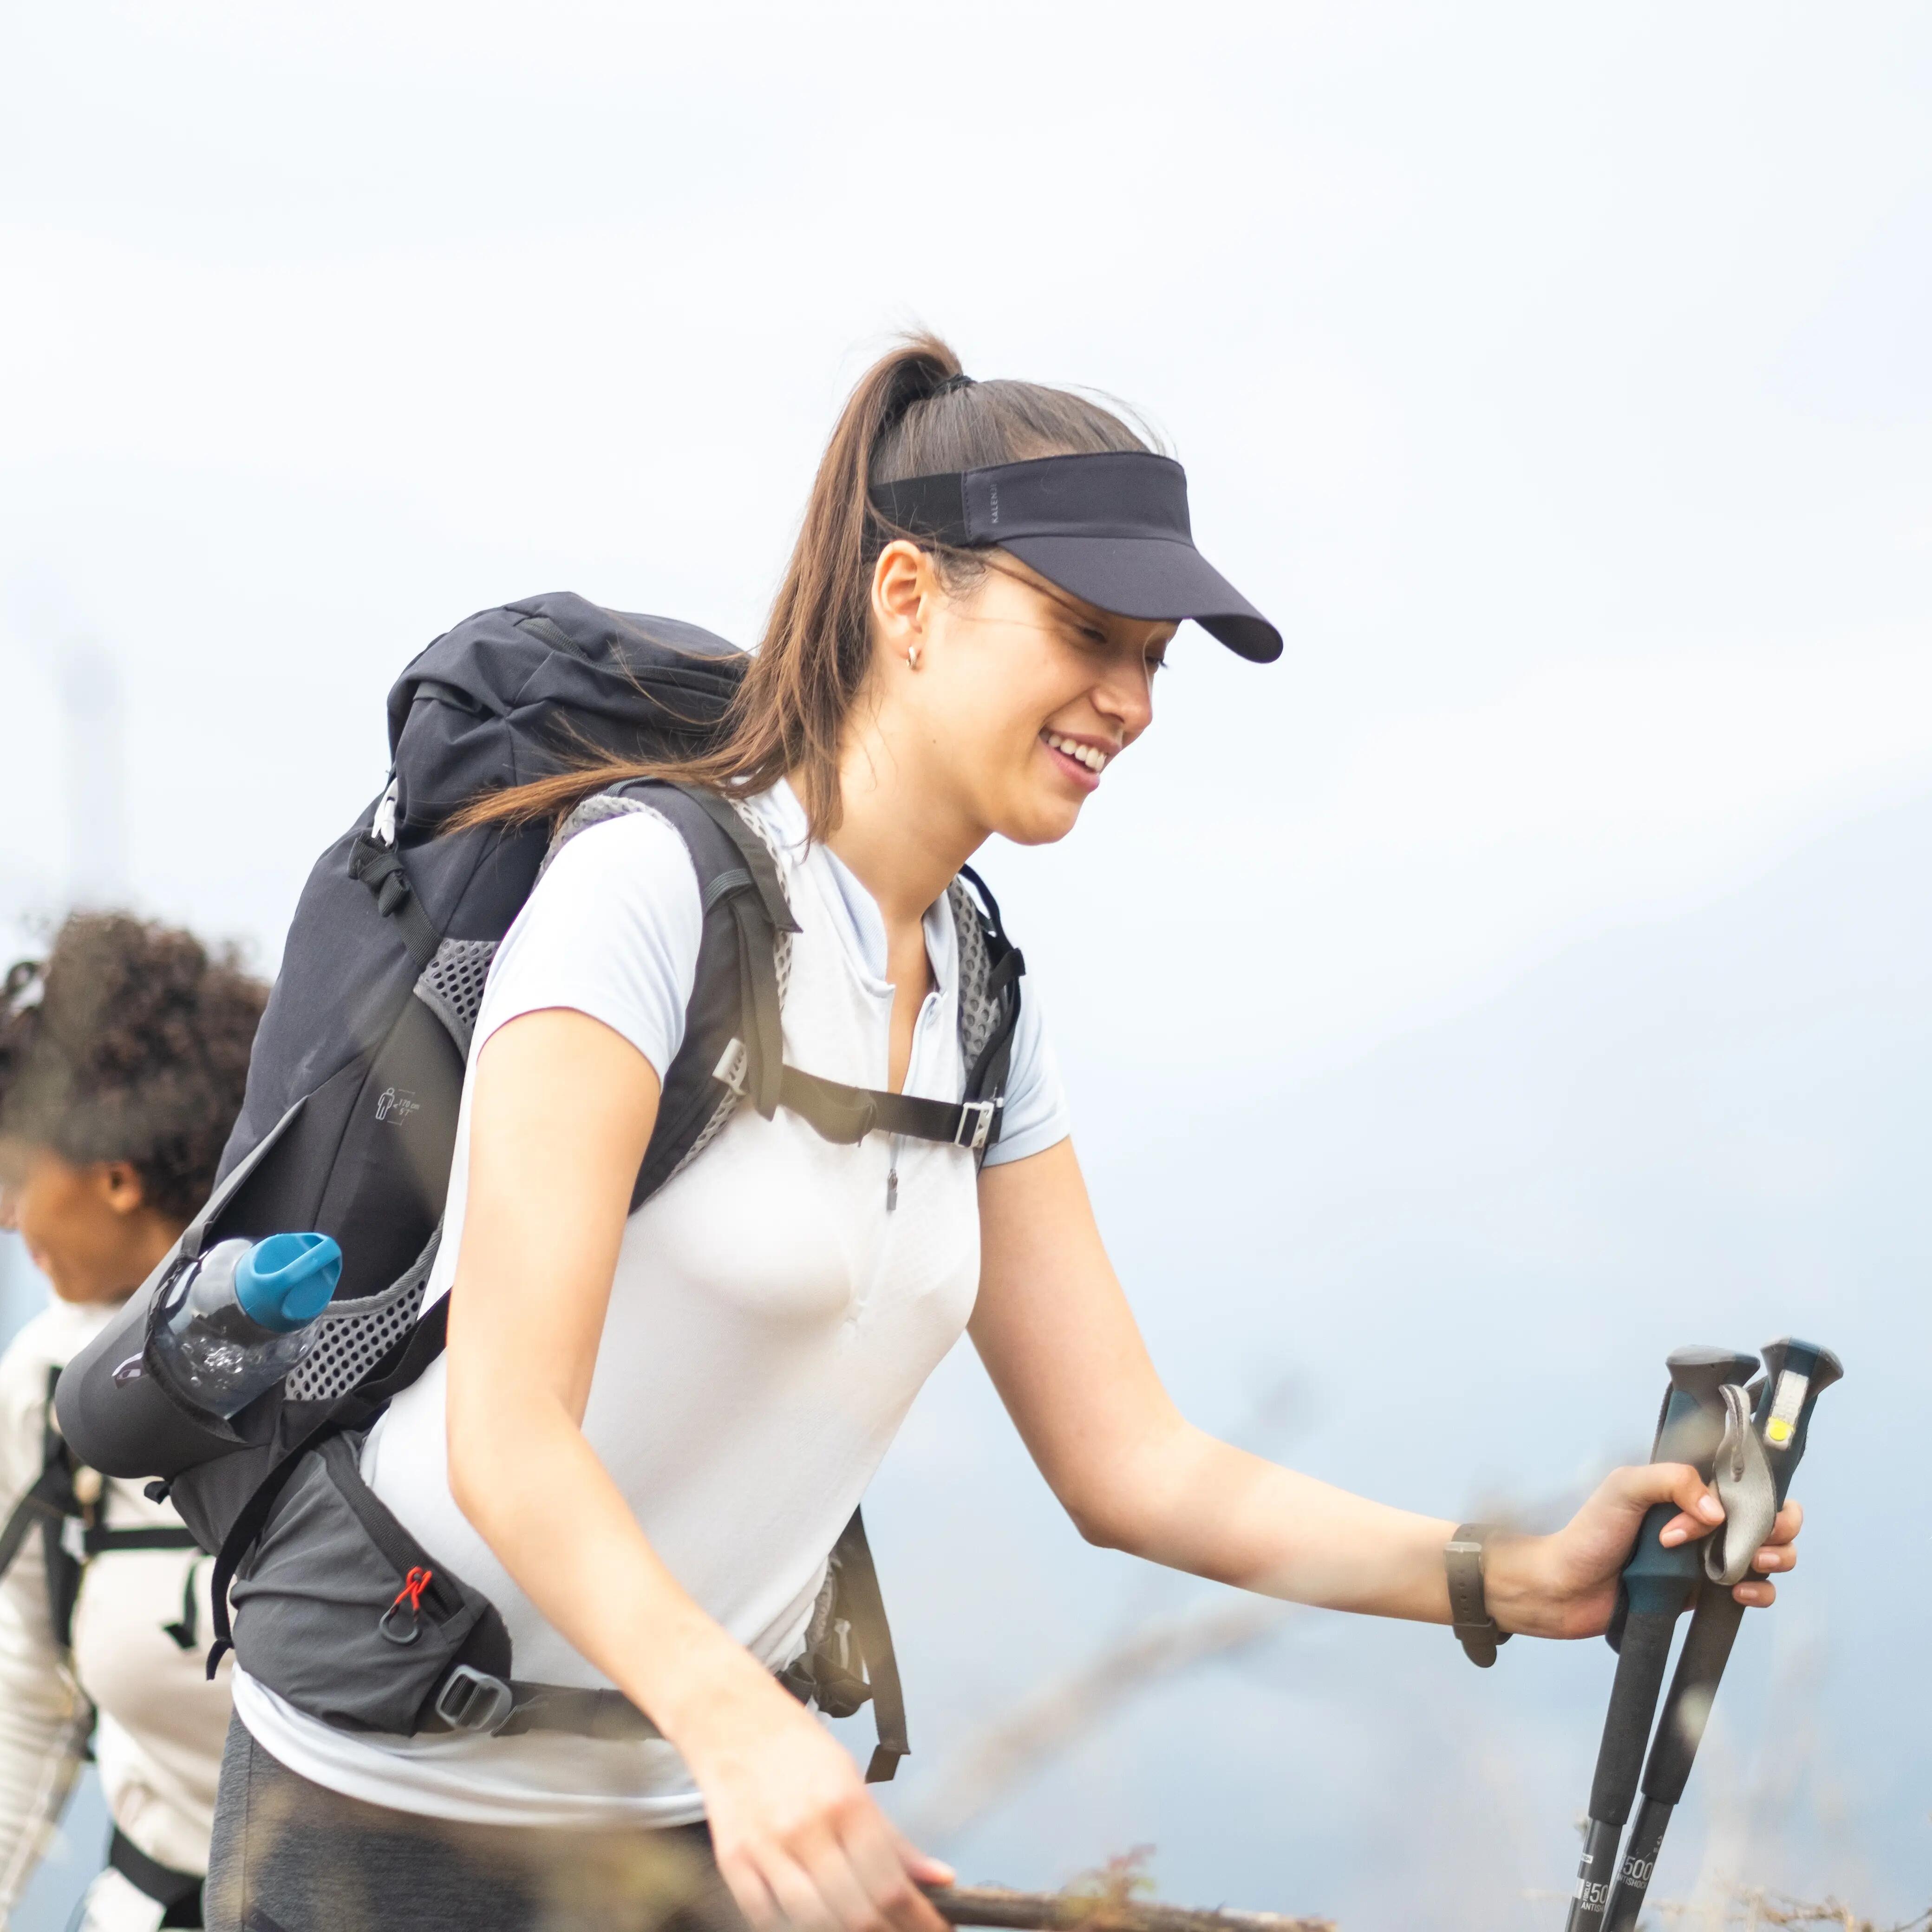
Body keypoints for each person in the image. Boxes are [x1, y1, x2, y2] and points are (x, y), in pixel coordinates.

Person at [206, 337, 1803, 1932]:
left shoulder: (977, 994)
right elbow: (508, 1432)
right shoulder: (646, 895)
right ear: (908, 600)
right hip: (392, 1803)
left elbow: (1132, 1462)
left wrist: (1510, 1576)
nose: (1130, 700)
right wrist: (743, 1722)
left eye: (1156, 657)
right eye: (1086, 633)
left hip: (700, 1819)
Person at [0, 914, 267, 1931]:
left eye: (21, 1175)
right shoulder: (42, 1382)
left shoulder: (345, 1356)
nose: (10, 1216)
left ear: (117, 1173)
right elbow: (26, 1688)